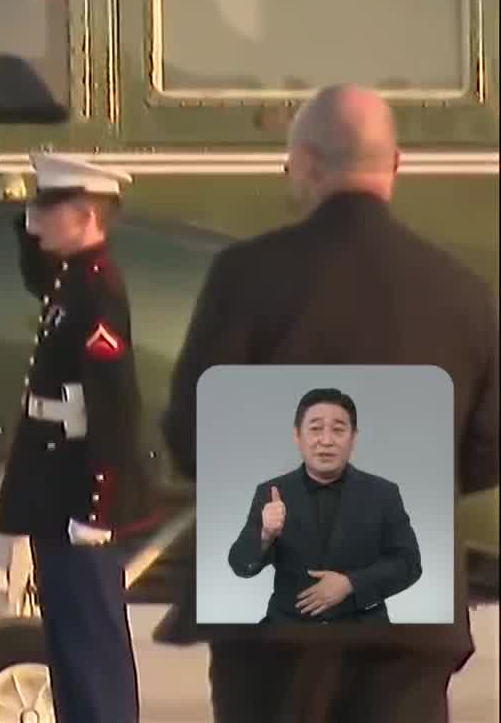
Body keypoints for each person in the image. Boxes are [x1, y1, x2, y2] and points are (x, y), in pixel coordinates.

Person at [158, 83, 501, 722]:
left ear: (309, 164)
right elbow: (488, 447)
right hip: (407, 614)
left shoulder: (244, 275)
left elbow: (192, 434)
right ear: (395, 165)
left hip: (269, 619)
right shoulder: (461, 290)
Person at [0, 151, 153, 723]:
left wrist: (96, 510)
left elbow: (112, 408)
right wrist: (24, 214)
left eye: (49, 206)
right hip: (55, 488)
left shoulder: (98, 292)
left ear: (84, 215)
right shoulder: (71, 279)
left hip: (81, 494)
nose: (38, 217)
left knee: (92, 649)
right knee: (68, 645)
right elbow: (35, 271)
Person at [228, 388, 423, 626]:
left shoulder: (383, 493)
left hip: (363, 630)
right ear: (297, 436)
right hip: (288, 630)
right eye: (315, 428)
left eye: (338, 430)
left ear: (354, 438)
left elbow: (409, 563)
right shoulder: (271, 492)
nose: (326, 440)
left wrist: (351, 583)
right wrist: (265, 535)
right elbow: (241, 565)